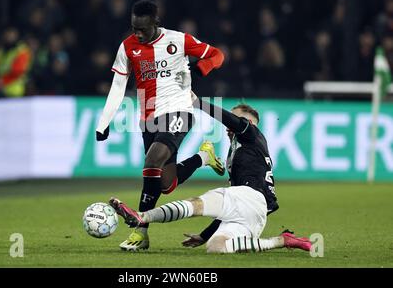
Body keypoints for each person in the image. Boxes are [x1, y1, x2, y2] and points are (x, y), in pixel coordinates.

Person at [95, 0, 225, 251]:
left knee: (152, 161)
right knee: (166, 184)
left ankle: (140, 231)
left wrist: (201, 68)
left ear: (156, 23)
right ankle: (203, 157)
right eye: (134, 28)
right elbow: (118, 86)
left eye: (143, 29)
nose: (138, 34)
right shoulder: (127, 47)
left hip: (179, 110)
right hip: (148, 119)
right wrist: (104, 121)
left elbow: (217, 54)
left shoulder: (179, 40)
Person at [109, 95, 312, 253]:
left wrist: (199, 103)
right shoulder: (245, 152)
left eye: (236, 120)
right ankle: (282, 240)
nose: (228, 126)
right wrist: (205, 235)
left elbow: (230, 119)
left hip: (250, 198)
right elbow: (234, 206)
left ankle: (142, 217)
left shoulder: (252, 134)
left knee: (198, 204)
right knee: (216, 247)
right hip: (255, 214)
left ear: (250, 122)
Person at [0, 26, 32, 97]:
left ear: (17, 35)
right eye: (7, 33)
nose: (9, 36)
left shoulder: (22, 50)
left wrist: (2, 81)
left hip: (16, 92)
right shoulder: (0, 50)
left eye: (12, 33)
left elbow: (18, 71)